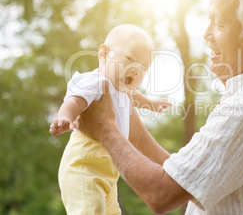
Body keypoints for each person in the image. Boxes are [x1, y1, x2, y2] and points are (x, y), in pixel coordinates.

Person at [50, 0, 243, 214]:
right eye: (209, 19)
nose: (206, 33)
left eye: (219, 23)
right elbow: (185, 177)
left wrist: (106, 128)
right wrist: (122, 110)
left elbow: (161, 194)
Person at [49, 24, 171, 214]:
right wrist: (65, 117)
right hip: (84, 164)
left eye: (143, 68)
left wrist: (151, 104)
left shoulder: (123, 89)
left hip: (108, 171)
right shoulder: (96, 81)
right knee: (90, 209)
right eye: (130, 59)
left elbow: (135, 96)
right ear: (104, 54)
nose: (136, 71)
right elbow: (74, 100)